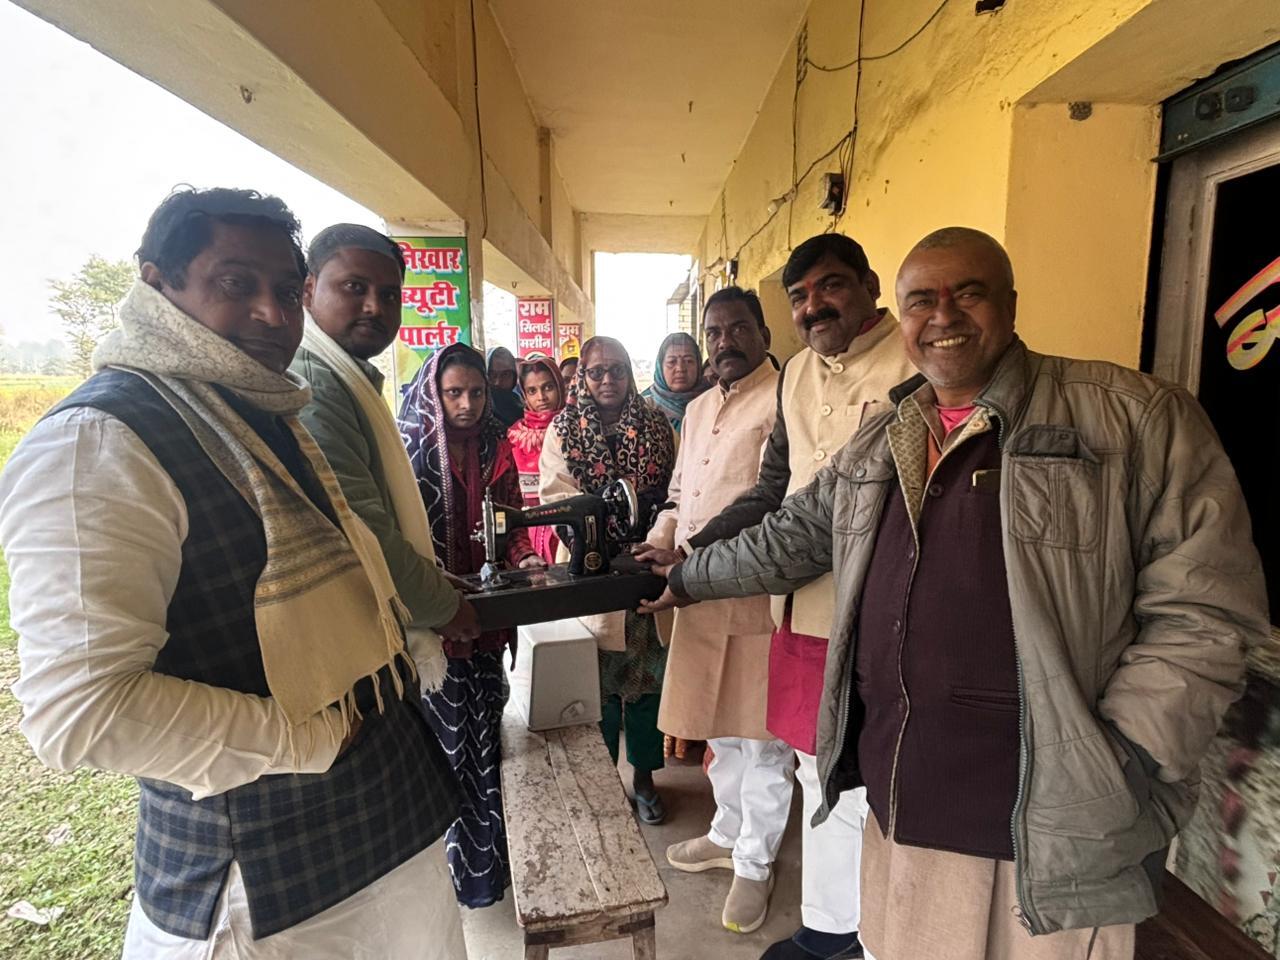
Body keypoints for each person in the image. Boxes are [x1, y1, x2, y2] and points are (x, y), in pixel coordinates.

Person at [645, 227, 1269, 960]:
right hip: (904, 789)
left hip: (1047, 817)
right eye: (922, 301)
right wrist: (683, 577)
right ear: (903, 315)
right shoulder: (888, 436)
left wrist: (1123, 758)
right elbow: (792, 534)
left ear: (1010, 304)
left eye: (967, 293)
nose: (942, 315)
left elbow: (1206, 614)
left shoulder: (1131, 418)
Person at [0, 187, 467, 958]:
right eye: (234, 283)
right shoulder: (100, 442)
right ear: (158, 283)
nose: (271, 314)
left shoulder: (263, 413)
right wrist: (309, 737)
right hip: (268, 880)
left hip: (383, 823)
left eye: (284, 290)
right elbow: (81, 710)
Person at [678, 233, 915, 960]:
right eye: (800, 296)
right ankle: (831, 927)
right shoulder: (798, 376)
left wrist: (696, 575)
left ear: (870, 284)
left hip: (886, 612)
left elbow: (828, 521)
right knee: (817, 770)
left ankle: (869, 934)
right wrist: (694, 549)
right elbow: (774, 490)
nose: (814, 307)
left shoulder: (914, 363)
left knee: (881, 782)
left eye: (831, 286)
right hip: (803, 610)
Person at [635, 288, 791, 935]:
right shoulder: (698, 408)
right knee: (719, 730)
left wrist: (691, 554)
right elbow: (680, 494)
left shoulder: (784, 397)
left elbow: (775, 500)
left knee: (761, 738)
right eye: (714, 332)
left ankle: (756, 862)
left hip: (756, 592)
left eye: (738, 329)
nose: (725, 342)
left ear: (762, 334)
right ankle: (727, 833)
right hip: (695, 592)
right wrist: (662, 541)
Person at [290, 223, 481, 694]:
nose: (375, 306)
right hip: (352, 636)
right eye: (354, 287)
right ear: (309, 289)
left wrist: (433, 582)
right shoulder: (315, 384)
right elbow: (362, 525)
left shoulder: (343, 377)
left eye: (390, 295)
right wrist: (442, 604)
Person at [398, 342, 543, 908]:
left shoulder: (495, 445)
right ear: (433, 394)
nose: (466, 404)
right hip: (433, 628)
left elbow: (512, 523)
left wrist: (526, 557)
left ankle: (487, 868)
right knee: (451, 749)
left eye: (477, 393)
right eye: (454, 392)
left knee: (487, 740)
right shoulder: (410, 450)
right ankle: (453, 877)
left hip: (486, 619)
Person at [539, 336, 676, 824]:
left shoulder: (657, 424)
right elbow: (555, 498)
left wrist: (654, 540)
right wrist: (599, 543)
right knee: (595, 689)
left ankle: (645, 779)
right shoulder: (563, 430)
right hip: (592, 575)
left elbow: (676, 493)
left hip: (647, 569)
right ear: (583, 377)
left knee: (646, 686)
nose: (608, 380)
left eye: (617, 370)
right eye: (596, 372)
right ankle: (602, 783)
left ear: (629, 373)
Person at [508, 354, 566, 564]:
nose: (541, 397)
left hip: (564, 529)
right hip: (525, 535)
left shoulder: (576, 431)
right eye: (532, 391)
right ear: (524, 395)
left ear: (560, 387)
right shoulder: (514, 436)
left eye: (548, 387)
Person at [641, 331, 708, 434]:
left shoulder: (714, 401)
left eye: (688, 361)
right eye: (672, 362)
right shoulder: (644, 408)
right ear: (660, 367)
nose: (680, 368)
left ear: (698, 365)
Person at [486, 345, 524, 427]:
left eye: (505, 375)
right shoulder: (479, 411)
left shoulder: (524, 409)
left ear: (514, 377)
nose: (497, 382)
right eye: (492, 375)